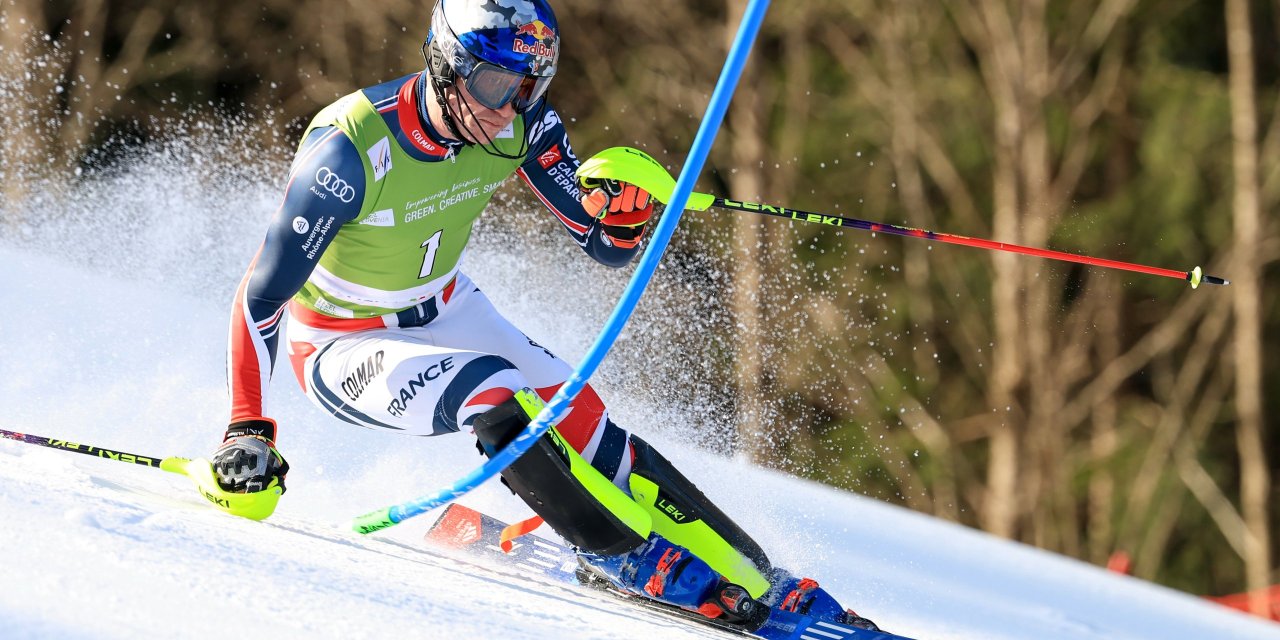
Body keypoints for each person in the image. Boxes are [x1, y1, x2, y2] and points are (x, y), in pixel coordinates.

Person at [207, 0, 877, 630]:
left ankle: (756, 575)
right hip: (342, 343)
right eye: (499, 85)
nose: (512, 108)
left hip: (445, 305)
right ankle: (623, 559)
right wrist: (247, 430)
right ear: (446, 62)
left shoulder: (523, 120)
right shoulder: (350, 151)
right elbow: (261, 296)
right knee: (497, 394)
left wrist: (626, 212)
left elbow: (602, 242)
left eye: (531, 86)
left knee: (580, 415)